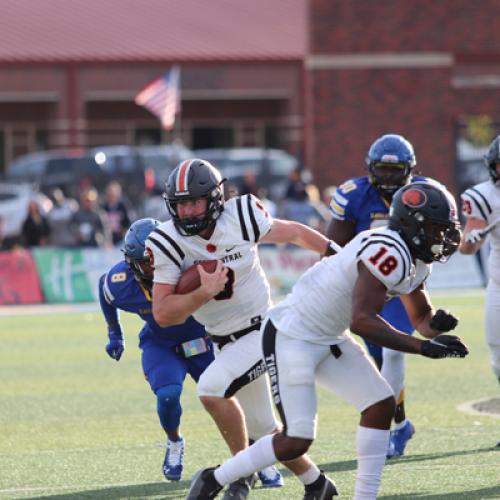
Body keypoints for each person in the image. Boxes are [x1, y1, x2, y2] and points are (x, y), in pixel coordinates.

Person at [187, 181, 469, 500]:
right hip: (292, 333)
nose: (443, 237)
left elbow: (421, 319)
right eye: (436, 228)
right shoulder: (387, 250)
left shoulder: (416, 260)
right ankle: (213, 479)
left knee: (380, 405)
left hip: (329, 335)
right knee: (296, 439)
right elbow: (361, 320)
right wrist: (421, 347)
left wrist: (436, 326)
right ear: (413, 225)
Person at [145, 159, 338, 499]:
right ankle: (318, 484)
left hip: (264, 329)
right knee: (265, 430)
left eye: (195, 202)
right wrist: (203, 291)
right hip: (223, 340)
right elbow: (162, 313)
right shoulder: (167, 241)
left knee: (211, 388)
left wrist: (338, 255)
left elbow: (292, 232)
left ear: (215, 199)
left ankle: (235, 473)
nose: (188, 212)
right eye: (181, 204)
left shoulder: (241, 216)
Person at [326, 133, 433, 458]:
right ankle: (401, 425)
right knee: (378, 360)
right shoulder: (354, 194)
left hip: (404, 282)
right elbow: (333, 247)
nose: (388, 177)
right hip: (365, 288)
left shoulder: (425, 192)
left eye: (395, 170)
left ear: (409, 169)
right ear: (370, 168)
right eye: (382, 170)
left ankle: (387, 428)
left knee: (394, 354)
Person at [98, 218, 215, 481]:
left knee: (227, 395)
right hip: (161, 344)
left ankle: (256, 453)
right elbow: (104, 289)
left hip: (200, 340)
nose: (155, 266)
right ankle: (174, 442)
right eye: (147, 261)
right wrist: (114, 332)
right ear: (131, 262)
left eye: (160, 257)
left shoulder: (190, 263)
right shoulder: (121, 282)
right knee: (168, 395)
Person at [459, 135, 500, 446]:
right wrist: (471, 240)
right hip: (499, 286)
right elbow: (467, 247)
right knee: (498, 357)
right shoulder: (484, 196)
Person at [101, 181, 132, 245]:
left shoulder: (123, 207)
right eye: (110, 193)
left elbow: (128, 223)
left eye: (114, 193)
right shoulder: (103, 207)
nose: (112, 195)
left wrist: (123, 231)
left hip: (120, 239)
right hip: (106, 240)